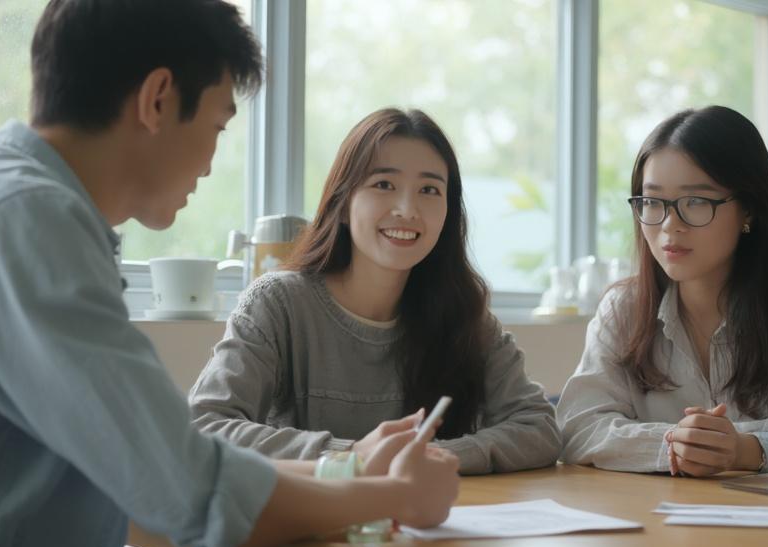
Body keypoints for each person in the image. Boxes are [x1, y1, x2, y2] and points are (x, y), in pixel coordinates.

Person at [0, 2, 458, 547]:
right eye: (217, 126)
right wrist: (393, 496)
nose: (209, 163)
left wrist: (353, 471)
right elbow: (190, 495)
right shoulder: (31, 225)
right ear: (158, 99)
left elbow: (159, 464)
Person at [188, 108, 561, 475]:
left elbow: (539, 427)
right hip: (309, 511)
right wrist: (349, 456)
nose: (407, 209)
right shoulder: (277, 304)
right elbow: (203, 426)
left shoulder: (463, 313)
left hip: (432, 511)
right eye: (384, 185)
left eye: (429, 190)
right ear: (343, 204)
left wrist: (432, 455)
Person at [556, 106, 768, 476]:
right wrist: (675, 445)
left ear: (748, 210)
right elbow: (577, 427)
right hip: (654, 509)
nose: (670, 225)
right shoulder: (623, 309)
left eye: (696, 202)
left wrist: (750, 448)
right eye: (652, 202)